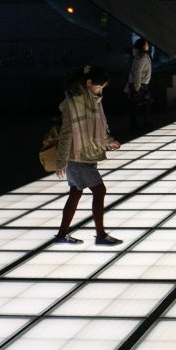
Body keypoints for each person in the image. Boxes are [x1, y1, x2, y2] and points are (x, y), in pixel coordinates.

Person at [53, 65, 123, 246]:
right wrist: (60, 161)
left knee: (75, 193)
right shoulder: (74, 102)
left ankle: (62, 234)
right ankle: (100, 235)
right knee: (99, 191)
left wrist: (108, 141)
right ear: (89, 82)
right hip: (76, 157)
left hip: (87, 153)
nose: (100, 91)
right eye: (99, 87)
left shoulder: (92, 101)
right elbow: (67, 133)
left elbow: (95, 127)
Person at [125, 36, 153, 131]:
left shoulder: (141, 56)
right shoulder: (141, 58)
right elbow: (137, 72)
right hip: (140, 84)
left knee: (138, 104)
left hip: (140, 84)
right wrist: (137, 85)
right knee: (141, 104)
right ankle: (142, 123)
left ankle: (139, 123)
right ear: (143, 46)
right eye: (146, 44)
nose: (147, 45)